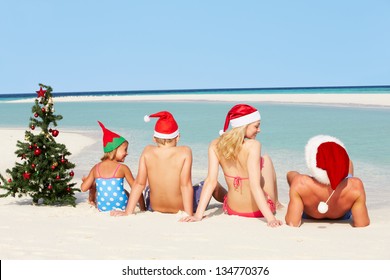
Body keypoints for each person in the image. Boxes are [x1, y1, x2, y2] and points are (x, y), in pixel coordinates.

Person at [181, 104, 283, 227]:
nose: (259, 130)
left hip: (231, 209)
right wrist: (271, 219)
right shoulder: (254, 145)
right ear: (244, 125)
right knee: (266, 160)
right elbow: (255, 185)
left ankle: (275, 202)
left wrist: (198, 215)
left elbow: (211, 181)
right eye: (256, 126)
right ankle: (276, 203)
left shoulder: (215, 144)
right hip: (257, 211)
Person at [110, 111, 226, 216]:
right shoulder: (185, 152)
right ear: (178, 137)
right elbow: (185, 186)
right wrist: (189, 214)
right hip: (179, 207)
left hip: (153, 207)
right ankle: (229, 200)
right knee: (212, 184)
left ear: (154, 138)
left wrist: (127, 212)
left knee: (148, 184)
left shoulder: (147, 151)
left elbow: (139, 184)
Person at [285, 135, 370, 227]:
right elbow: (362, 223)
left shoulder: (300, 182)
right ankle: (339, 171)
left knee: (292, 174)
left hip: (311, 214)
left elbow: (292, 222)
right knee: (349, 163)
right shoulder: (356, 185)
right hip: (341, 213)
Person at [81, 121, 145, 212]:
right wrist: (143, 208)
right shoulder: (123, 168)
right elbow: (136, 188)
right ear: (114, 150)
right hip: (122, 205)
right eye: (125, 150)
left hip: (102, 207)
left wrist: (89, 183)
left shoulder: (96, 168)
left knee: (94, 185)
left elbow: (83, 188)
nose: (127, 153)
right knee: (126, 191)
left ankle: (91, 201)